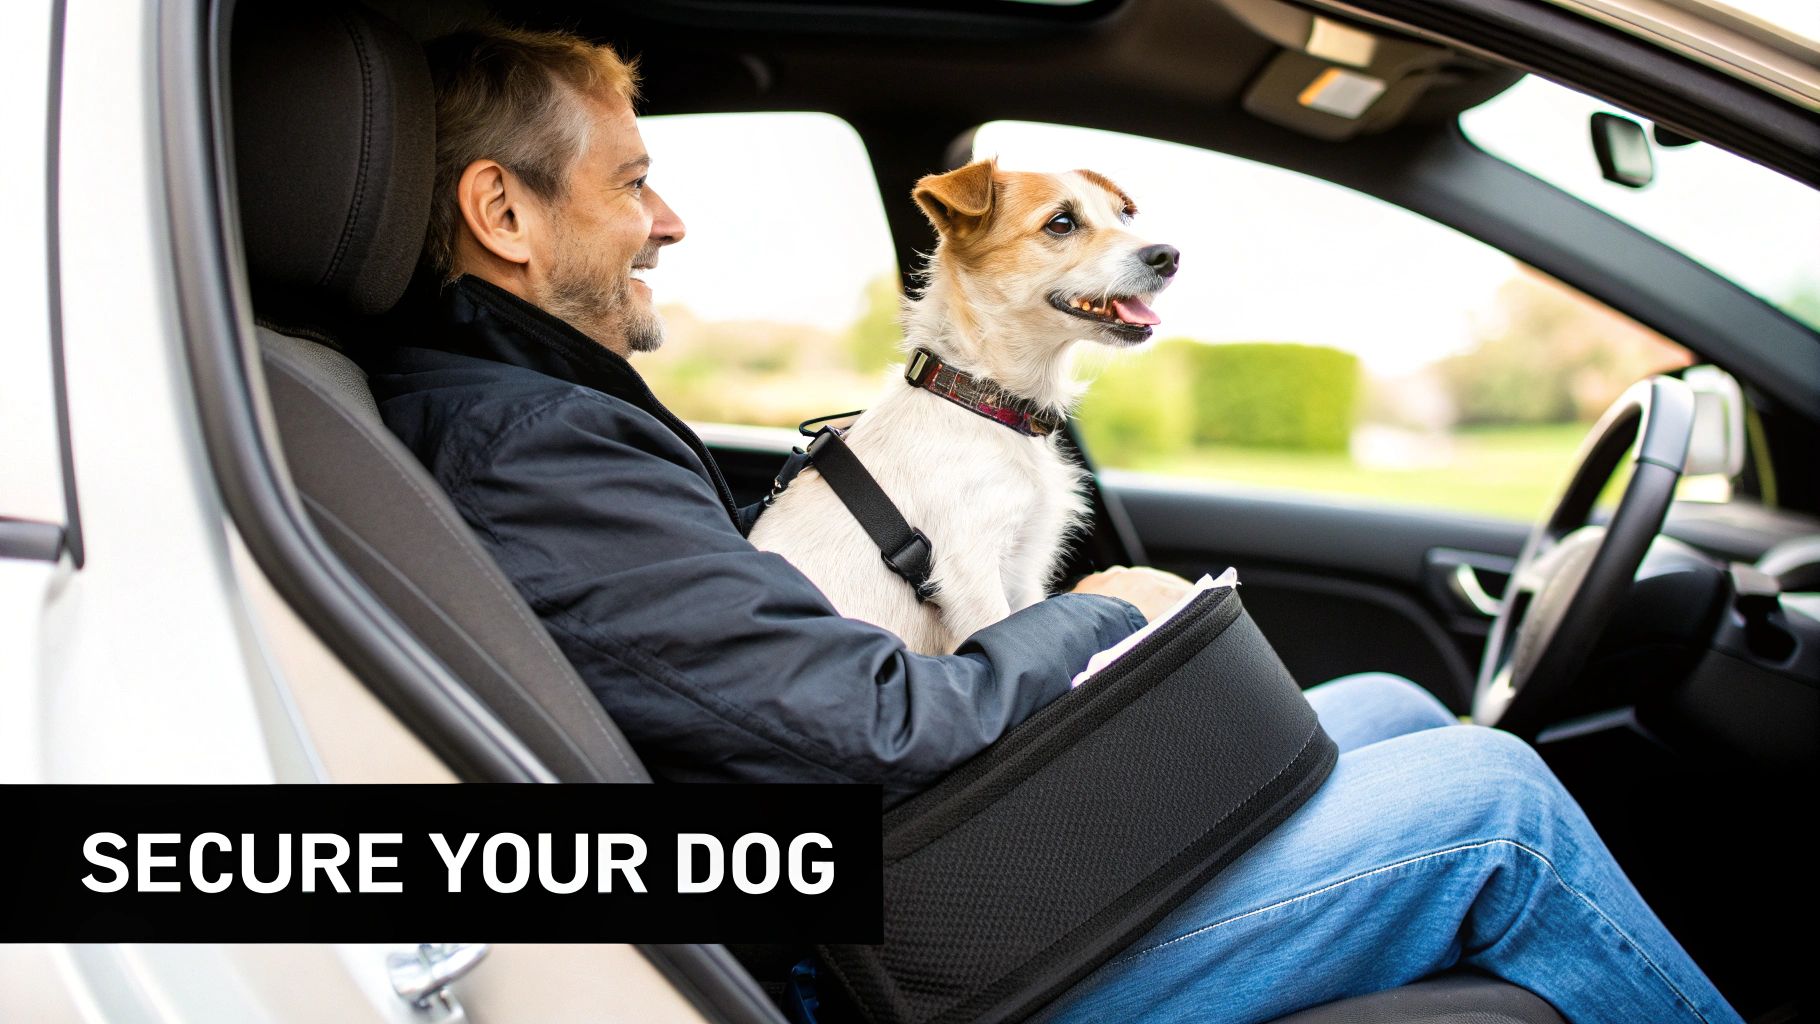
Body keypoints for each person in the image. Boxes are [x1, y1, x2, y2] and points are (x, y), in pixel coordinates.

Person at [363, 25, 1744, 1024]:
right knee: (1499, 806)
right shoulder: (527, 443)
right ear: (504, 214)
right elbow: (880, 722)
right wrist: (1111, 607)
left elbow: (753, 652)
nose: (667, 221)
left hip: (884, 870)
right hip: (883, 949)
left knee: (1390, 701)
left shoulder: (518, 417)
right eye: (628, 183)